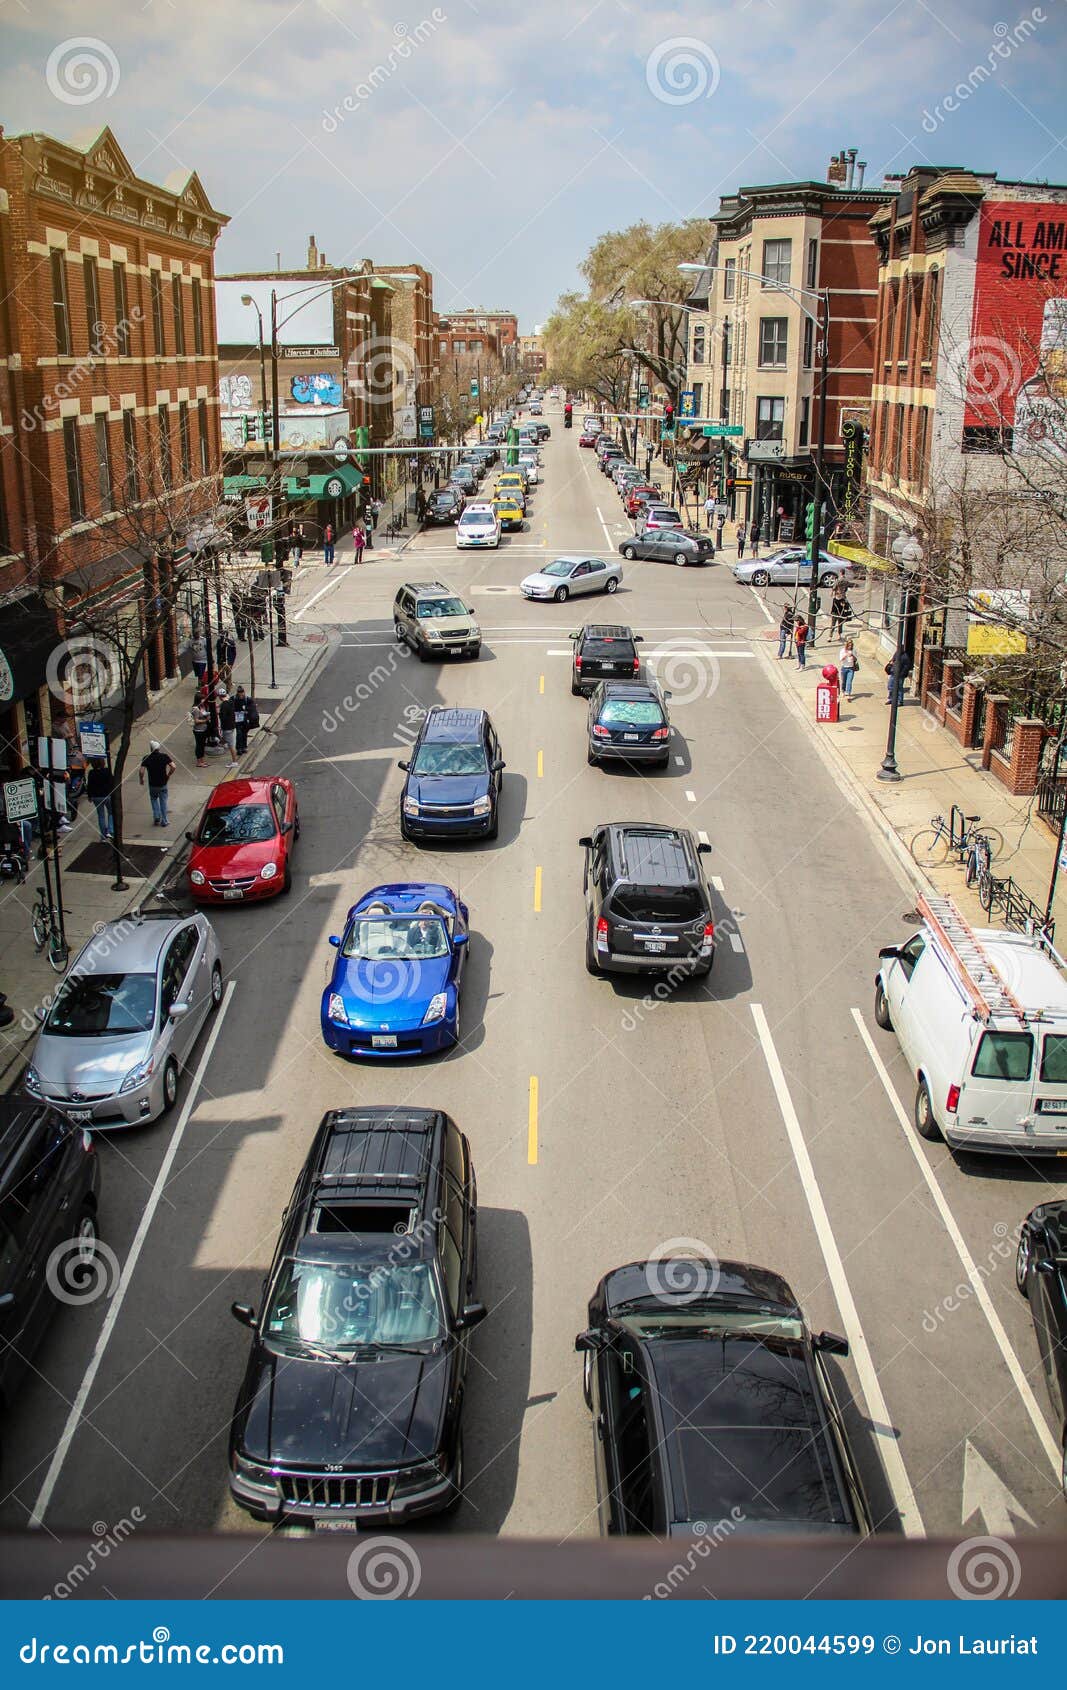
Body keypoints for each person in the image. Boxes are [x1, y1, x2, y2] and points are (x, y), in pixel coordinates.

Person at [139, 739, 176, 828]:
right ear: (159, 748)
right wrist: (168, 775)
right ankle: (164, 820)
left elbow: (141, 771)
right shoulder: (164, 756)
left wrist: (141, 779)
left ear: (151, 749)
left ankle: (156, 816)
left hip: (153, 784)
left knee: (154, 799)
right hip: (163, 783)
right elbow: (173, 766)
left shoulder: (146, 758)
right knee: (163, 801)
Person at [86, 759, 114, 840]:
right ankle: (111, 830)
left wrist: (89, 796)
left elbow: (89, 785)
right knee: (111, 812)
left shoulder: (91, 772)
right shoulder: (107, 771)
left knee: (101, 816)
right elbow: (111, 782)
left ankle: (103, 835)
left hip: (96, 796)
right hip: (107, 795)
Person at [234, 685, 260, 755]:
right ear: (237, 693)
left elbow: (252, 707)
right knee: (239, 734)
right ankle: (239, 748)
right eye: (239, 692)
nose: (241, 694)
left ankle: (244, 747)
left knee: (244, 733)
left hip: (245, 719)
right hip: (237, 719)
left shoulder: (248, 699)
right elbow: (230, 707)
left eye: (242, 692)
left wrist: (246, 710)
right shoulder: (234, 699)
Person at [218, 693, 239, 765]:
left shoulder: (224, 706)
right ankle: (222, 744)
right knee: (224, 739)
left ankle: (234, 762)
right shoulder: (230, 702)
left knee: (231, 745)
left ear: (220, 697)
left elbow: (223, 717)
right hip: (232, 726)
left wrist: (219, 713)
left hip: (227, 728)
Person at [190, 698, 210, 766]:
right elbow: (196, 721)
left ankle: (202, 761)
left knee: (202, 745)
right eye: (202, 699)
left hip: (204, 729)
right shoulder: (195, 709)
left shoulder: (201, 706)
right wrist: (206, 720)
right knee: (199, 746)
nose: (203, 700)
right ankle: (199, 762)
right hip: (199, 730)